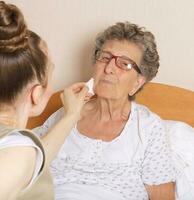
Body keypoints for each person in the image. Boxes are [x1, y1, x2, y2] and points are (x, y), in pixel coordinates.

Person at [35, 22, 177, 200]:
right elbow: (28, 170)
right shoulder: (66, 114)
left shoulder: (148, 127)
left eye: (124, 64)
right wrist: (70, 115)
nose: (109, 68)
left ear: (137, 83)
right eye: (104, 57)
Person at [0, 1, 89, 200]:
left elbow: (33, 163)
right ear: (36, 94)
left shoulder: (21, 149)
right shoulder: (18, 154)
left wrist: (72, 114)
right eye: (51, 73)